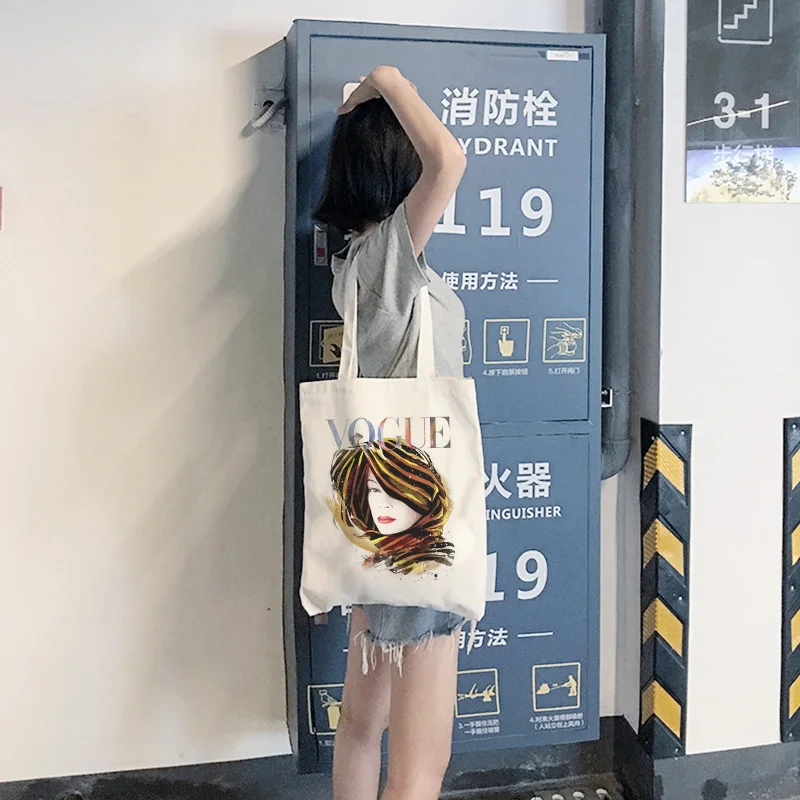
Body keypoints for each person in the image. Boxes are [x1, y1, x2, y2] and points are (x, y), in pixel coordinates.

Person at [314, 65, 468, 800]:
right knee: (417, 768)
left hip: (385, 529)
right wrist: (387, 80)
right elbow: (450, 160)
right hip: (420, 537)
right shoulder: (386, 262)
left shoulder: (358, 266)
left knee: (360, 729)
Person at [328, 437, 455, 575]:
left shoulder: (435, 560)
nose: (384, 505)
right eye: (374, 489)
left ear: (425, 497)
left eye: (396, 491)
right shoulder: (377, 560)